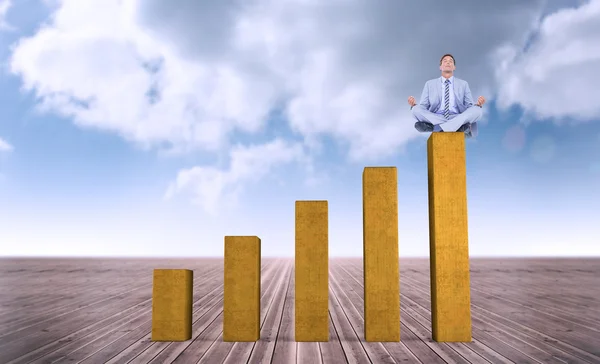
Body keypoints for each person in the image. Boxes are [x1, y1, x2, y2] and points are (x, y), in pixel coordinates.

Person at [408, 54, 486, 138]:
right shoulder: (429, 84)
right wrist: (414, 105)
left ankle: (437, 127)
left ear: (454, 67)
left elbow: (469, 106)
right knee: (415, 110)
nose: (448, 63)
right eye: (445, 61)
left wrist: (478, 104)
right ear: (440, 67)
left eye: (450, 61)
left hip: (458, 116)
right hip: (436, 117)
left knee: (477, 110)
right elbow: (424, 106)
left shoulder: (463, 84)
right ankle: (457, 128)